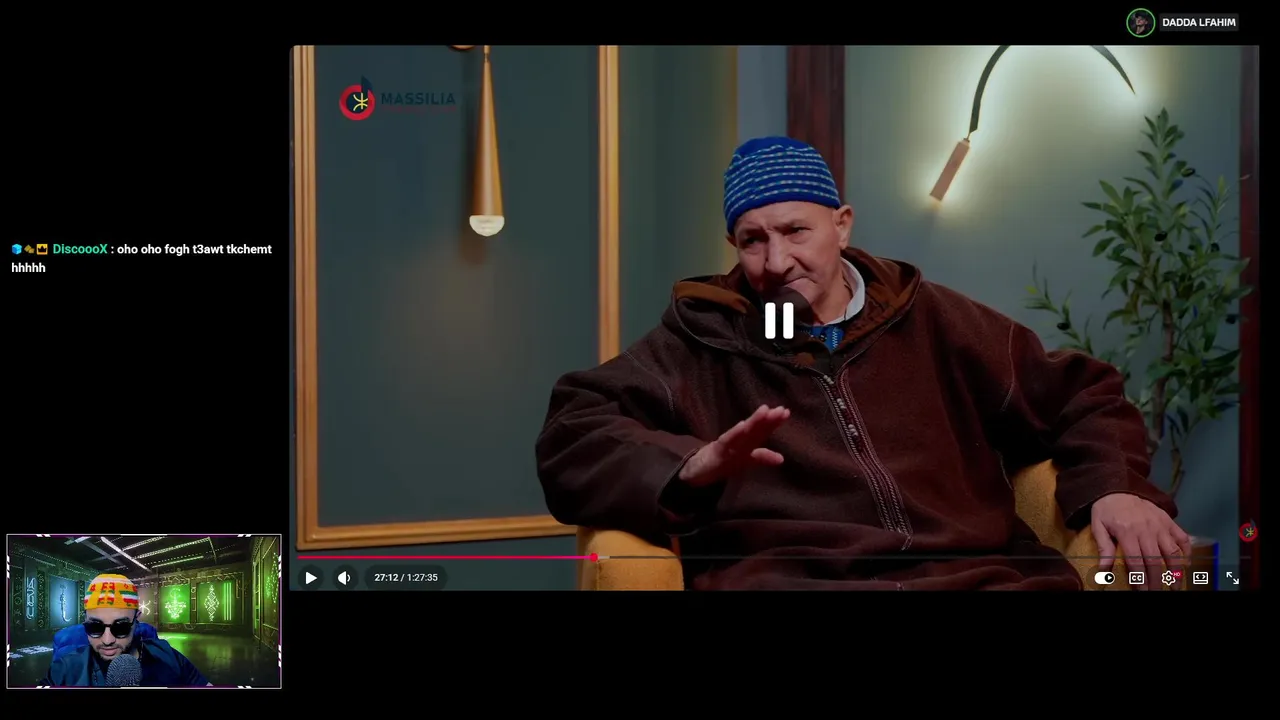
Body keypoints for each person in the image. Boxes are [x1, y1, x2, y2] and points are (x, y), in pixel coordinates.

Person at [536, 136, 1190, 590]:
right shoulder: (703, 338)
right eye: (752, 241)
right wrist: (688, 466)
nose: (776, 261)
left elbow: (1081, 395)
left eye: (796, 231)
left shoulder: (931, 316)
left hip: (974, 576)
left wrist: (1114, 487)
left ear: (842, 225)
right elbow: (573, 432)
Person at [43, 573, 213, 685]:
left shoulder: (169, 657)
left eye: (121, 627)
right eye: (95, 626)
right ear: (85, 621)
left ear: (136, 620)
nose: (107, 640)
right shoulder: (64, 669)